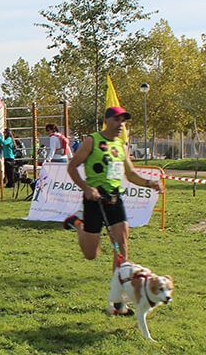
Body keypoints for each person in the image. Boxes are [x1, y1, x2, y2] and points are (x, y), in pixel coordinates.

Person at [66, 107, 163, 292]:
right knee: (91, 255)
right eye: (117, 120)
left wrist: (150, 183)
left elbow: (131, 174)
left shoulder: (121, 145)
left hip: (115, 199)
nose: (121, 124)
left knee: (122, 248)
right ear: (107, 120)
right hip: (94, 200)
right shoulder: (92, 141)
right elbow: (72, 167)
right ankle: (78, 224)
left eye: (124, 121)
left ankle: (118, 298)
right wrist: (86, 188)